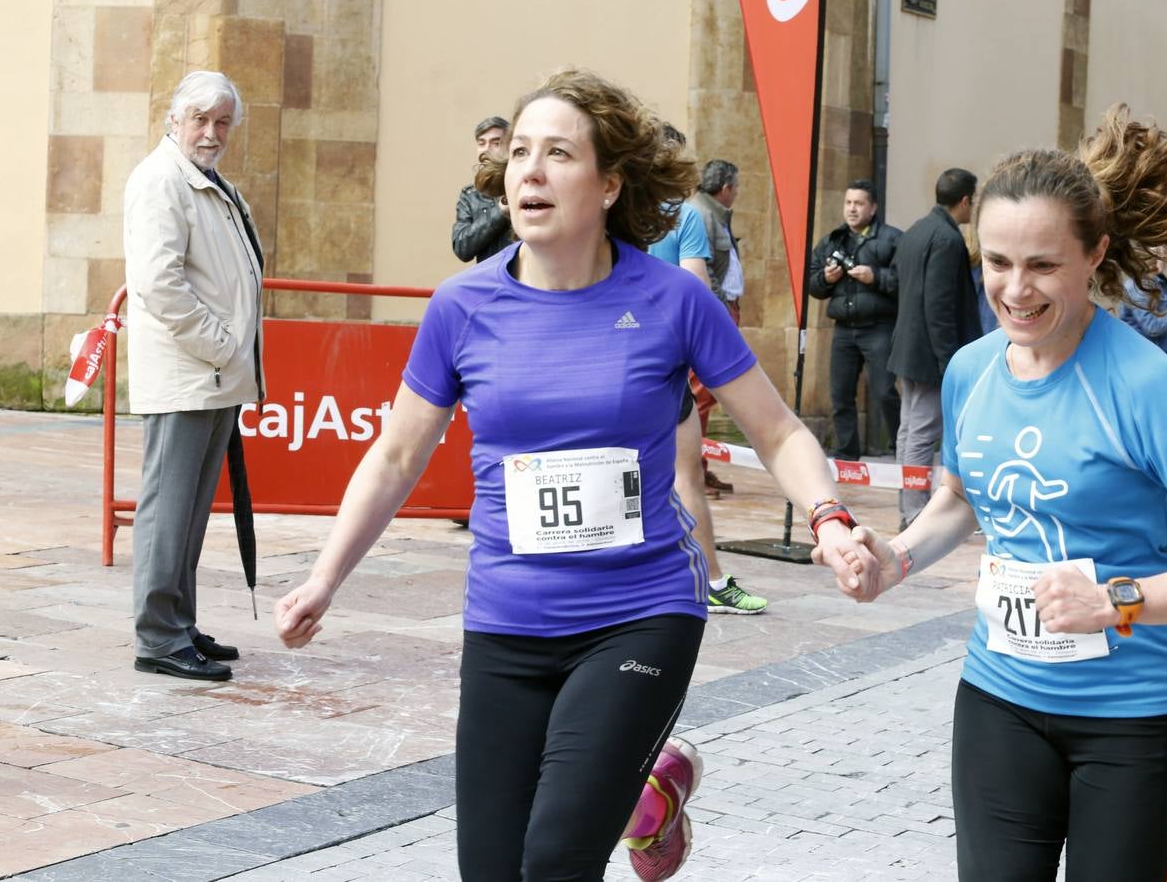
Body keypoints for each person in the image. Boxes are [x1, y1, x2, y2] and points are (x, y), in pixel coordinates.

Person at [273, 69, 873, 881]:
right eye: (521, 152)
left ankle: (625, 777)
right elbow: (396, 455)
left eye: (559, 153)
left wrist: (831, 522)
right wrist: (324, 578)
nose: (530, 170)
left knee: (555, 861)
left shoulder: (672, 300)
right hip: (507, 620)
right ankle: (644, 784)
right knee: (491, 870)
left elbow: (777, 429)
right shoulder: (462, 307)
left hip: (641, 611)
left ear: (608, 183)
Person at [829, 107, 1167, 881]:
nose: (1015, 289)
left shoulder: (1145, 383)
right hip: (999, 697)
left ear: (1095, 255)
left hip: (1133, 716)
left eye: (1042, 264)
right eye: (997, 263)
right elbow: (962, 501)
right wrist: (893, 560)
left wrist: (1117, 599)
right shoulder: (971, 369)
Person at [124, 71, 263, 683]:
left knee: (191, 512)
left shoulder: (206, 181)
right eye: (200, 119)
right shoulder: (161, 180)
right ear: (173, 120)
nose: (212, 132)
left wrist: (228, 356)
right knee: (168, 509)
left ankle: (178, 621)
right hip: (191, 374)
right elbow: (160, 285)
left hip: (212, 376)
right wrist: (221, 346)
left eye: (222, 121)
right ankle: (158, 636)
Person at [648, 129, 768, 615]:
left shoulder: (601, 214)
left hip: (602, 361)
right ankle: (711, 579)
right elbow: (695, 292)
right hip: (661, 362)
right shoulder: (685, 216)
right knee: (683, 476)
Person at [888, 168, 981, 527]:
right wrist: (949, 362)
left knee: (909, 431)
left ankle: (908, 506)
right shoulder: (947, 238)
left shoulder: (916, 230)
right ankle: (914, 512)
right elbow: (939, 304)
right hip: (930, 353)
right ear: (965, 200)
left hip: (910, 348)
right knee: (922, 433)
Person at [806, 180, 904, 460]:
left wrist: (876, 277)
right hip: (844, 329)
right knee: (840, 396)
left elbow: (905, 281)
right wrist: (825, 278)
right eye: (848, 203)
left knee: (885, 392)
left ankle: (902, 449)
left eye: (859, 203)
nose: (852, 209)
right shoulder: (832, 240)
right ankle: (846, 455)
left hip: (879, 327)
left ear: (872, 208)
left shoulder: (892, 239)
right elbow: (812, 284)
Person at [688, 159, 743, 493]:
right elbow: (703, 270)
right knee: (700, 396)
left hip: (724, 310)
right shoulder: (700, 214)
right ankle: (693, 470)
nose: (736, 193)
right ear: (725, 188)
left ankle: (701, 467)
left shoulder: (712, 213)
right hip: (715, 314)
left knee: (705, 396)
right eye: (736, 187)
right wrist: (721, 309)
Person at [451, 116, 513, 263]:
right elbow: (461, 247)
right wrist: (499, 212)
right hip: (488, 280)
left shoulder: (523, 184)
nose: (486, 149)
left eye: (496, 143)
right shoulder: (470, 195)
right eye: (481, 143)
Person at [1118, 251, 1167, 364]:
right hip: (1147, 361)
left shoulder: (1159, 281)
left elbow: (1163, 323)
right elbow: (1152, 327)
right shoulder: (1139, 286)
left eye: (1164, 253)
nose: (1163, 257)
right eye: (1157, 253)